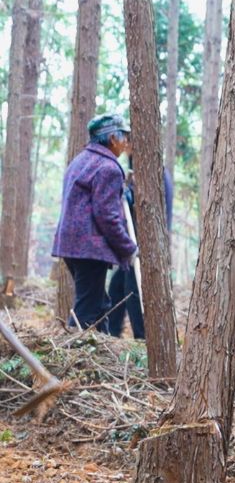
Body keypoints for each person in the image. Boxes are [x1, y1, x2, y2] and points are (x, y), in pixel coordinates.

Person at [51, 114, 137, 332]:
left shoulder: (80, 160)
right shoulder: (108, 168)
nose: (126, 142)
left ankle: (102, 355)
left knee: (100, 305)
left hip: (72, 246)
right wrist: (128, 247)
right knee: (86, 311)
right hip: (89, 249)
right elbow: (107, 215)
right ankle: (74, 359)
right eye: (123, 137)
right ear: (112, 139)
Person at [106, 165, 175, 340]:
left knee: (134, 290)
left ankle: (143, 339)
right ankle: (111, 335)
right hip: (133, 245)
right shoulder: (134, 171)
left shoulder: (154, 172)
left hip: (143, 246)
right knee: (116, 288)